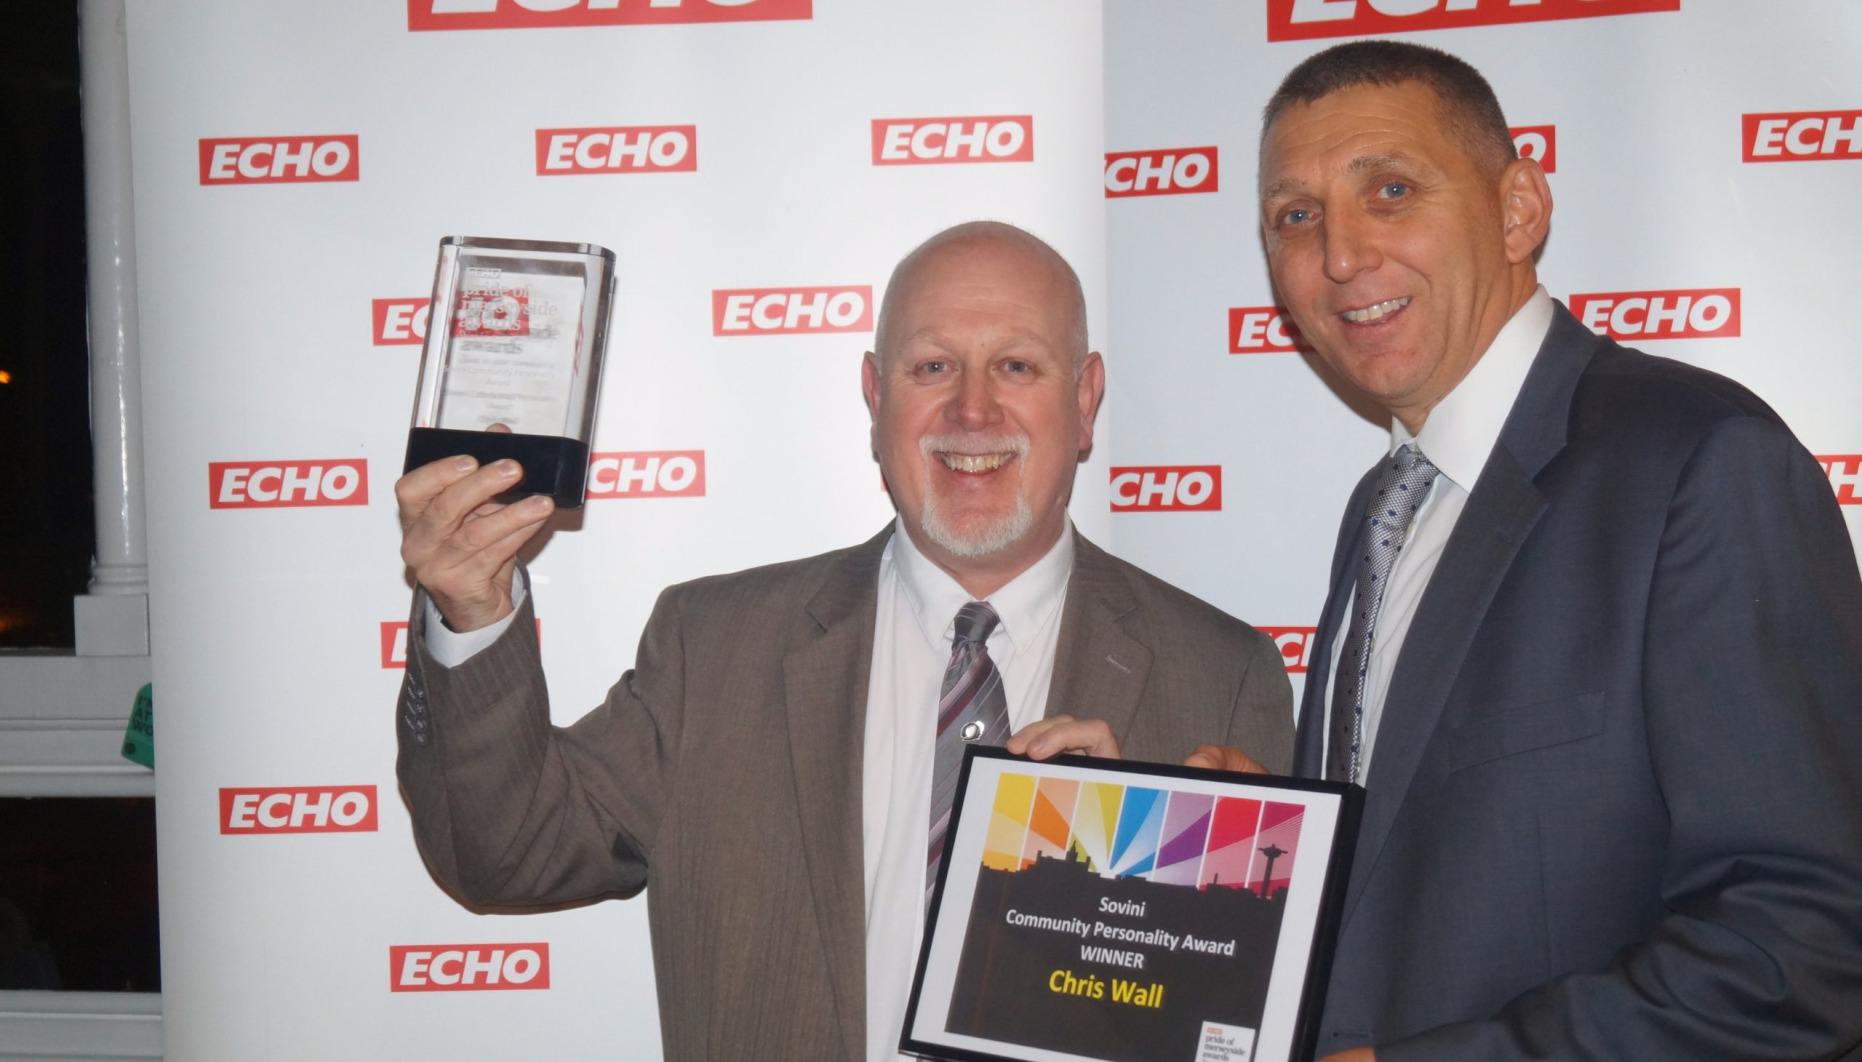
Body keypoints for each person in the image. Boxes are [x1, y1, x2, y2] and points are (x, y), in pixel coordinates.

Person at [392, 221, 1294, 1062]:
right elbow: (503, 853)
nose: (972, 412)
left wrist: (1141, 877)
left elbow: (1252, 1022)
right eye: (932, 367)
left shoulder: (1221, 674)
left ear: (1086, 399)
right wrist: (472, 615)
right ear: (873, 395)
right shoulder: (715, 648)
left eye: (1017, 367)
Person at [1213, 39, 1862, 1062]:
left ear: (1517, 210)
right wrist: (1247, 847)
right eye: (1294, 217)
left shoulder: (1700, 464)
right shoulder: (1380, 508)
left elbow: (1800, 947)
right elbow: (1436, 862)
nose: (1338, 254)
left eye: (1388, 190)